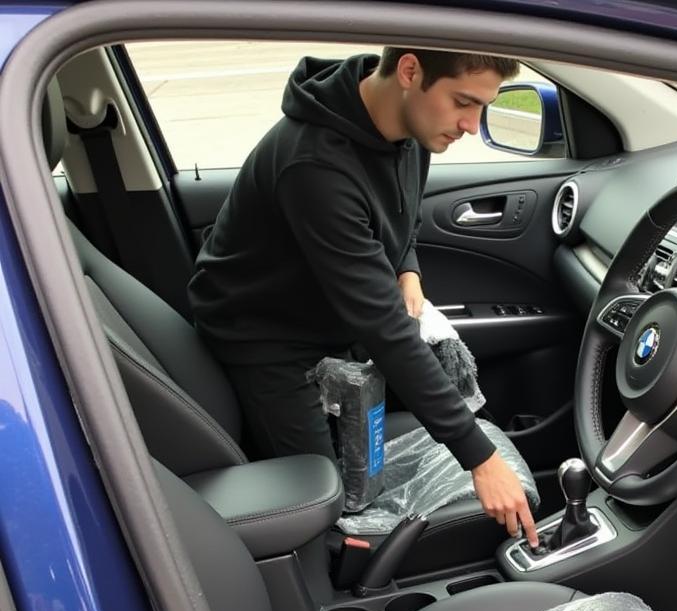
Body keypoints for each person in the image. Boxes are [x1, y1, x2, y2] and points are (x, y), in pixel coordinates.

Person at [188, 47, 539, 546]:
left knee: (361, 472)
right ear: (410, 71)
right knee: (323, 503)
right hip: (268, 340)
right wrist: (480, 459)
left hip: (330, 320)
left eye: (484, 106)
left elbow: (401, 220)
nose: (471, 125)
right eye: (464, 101)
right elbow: (385, 330)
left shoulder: (410, 129)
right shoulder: (315, 166)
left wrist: (407, 269)